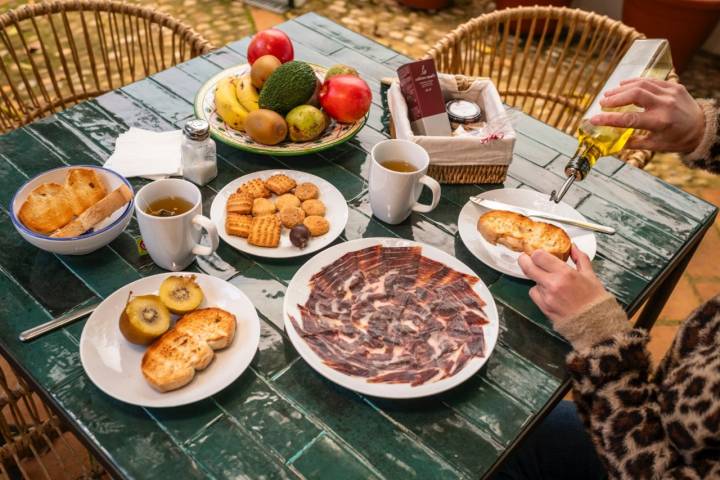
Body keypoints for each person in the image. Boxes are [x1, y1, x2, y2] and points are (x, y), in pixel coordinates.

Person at [495, 78, 719, 479]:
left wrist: (600, 336)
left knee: (500, 440)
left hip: (646, 449)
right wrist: (706, 131)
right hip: (665, 413)